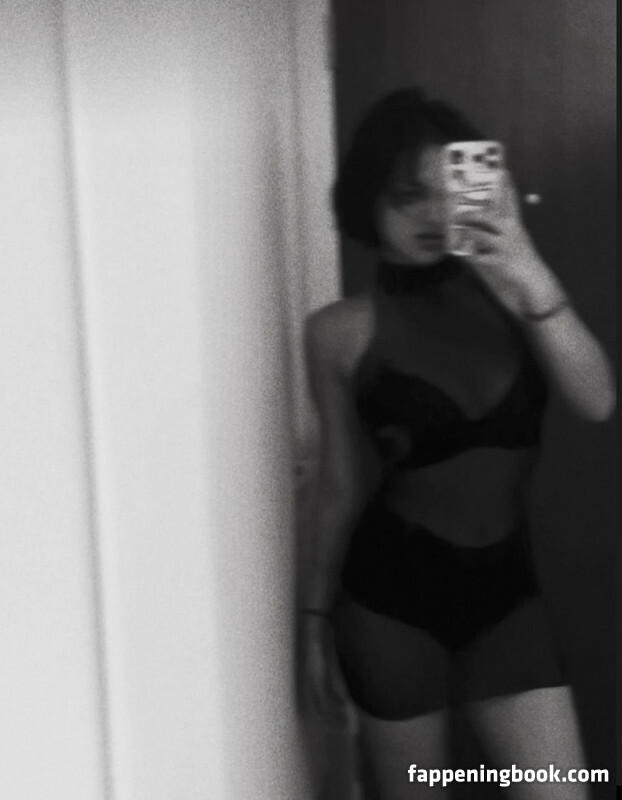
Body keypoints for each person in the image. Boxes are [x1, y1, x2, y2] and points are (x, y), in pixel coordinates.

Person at [300, 88, 615, 800]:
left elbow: (597, 402)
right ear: (368, 201)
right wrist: (313, 624)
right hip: (387, 609)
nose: (434, 217)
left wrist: (529, 270)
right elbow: (339, 486)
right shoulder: (336, 332)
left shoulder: (519, 296)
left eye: (450, 194)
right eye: (408, 196)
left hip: (507, 605)